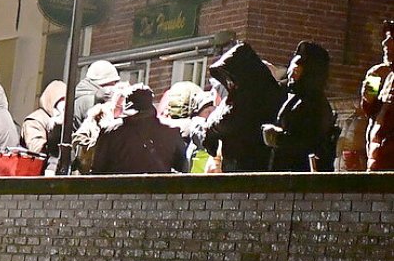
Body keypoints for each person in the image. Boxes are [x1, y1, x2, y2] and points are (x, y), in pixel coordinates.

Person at [205, 41, 287, 173]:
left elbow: (226, 120)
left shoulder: (247, 97)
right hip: (263, 163)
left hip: (243, 164)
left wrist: (211, 129)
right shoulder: (274, 93)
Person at [265, 41, 338, 171]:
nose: (293, 70)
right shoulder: (296, 98)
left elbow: (309, 142)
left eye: (299, 65)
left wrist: (278, 138)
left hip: (299, 180)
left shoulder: (314, 104)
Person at [90, 86, 190, 174]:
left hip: (119, 191)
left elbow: (98, 168)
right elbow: (182, 167)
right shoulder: (171, 132)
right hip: (158, 191)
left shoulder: (111, 131)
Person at [362, 20, 394, 171]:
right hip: (377, 164)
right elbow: (371, 107)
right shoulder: (388, 77)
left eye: (392, 37)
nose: (385, 43)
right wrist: (373, 79)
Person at [20, 80, 66, 157]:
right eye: (61, 100)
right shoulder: (34, 120)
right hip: (37, 166)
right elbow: (36, 149)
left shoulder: (66, 120)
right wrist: (54, 131)